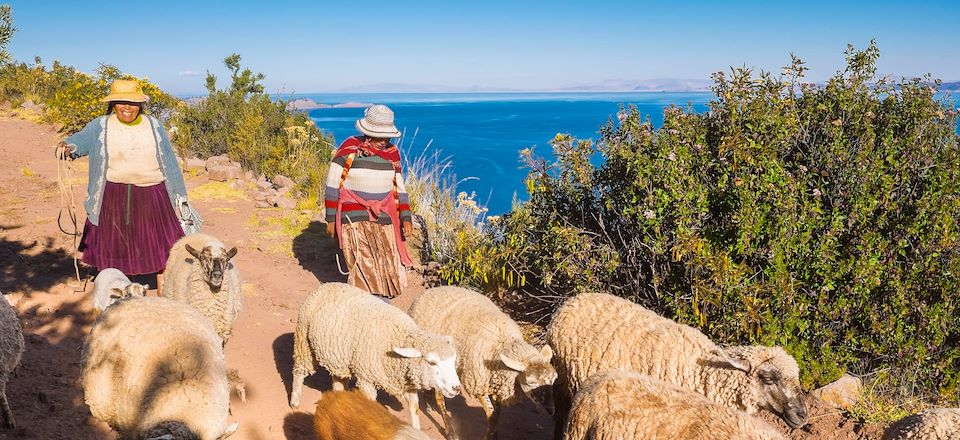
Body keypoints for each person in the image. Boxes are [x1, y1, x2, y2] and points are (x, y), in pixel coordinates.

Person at [55, 79, 192, 293]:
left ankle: (164, 290)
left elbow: (169, 161)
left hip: (152, 192)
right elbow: (79, 142)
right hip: (112, 194)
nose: (127, 107)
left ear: (140, 105)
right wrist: (67, 147)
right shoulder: (100, 126)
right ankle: (118, 288)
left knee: (161, 244)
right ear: (113, 104)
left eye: (132, 102)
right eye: (121, 102)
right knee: (116, 242)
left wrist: (180, 196)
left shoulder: (154, 126)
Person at [324, 104, 413, 298]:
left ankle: (381, 304)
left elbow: (399, 188)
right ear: (367, 133)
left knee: (386, 262)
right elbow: (332, 184)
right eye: (379, 136)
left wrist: (406, 217)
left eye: (386, 136)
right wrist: (331, 219)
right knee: (363, 262)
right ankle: (364, 305)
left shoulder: (392, 154)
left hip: (383, 215)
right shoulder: (350, 149)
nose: (384, 141)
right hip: (353, 216)